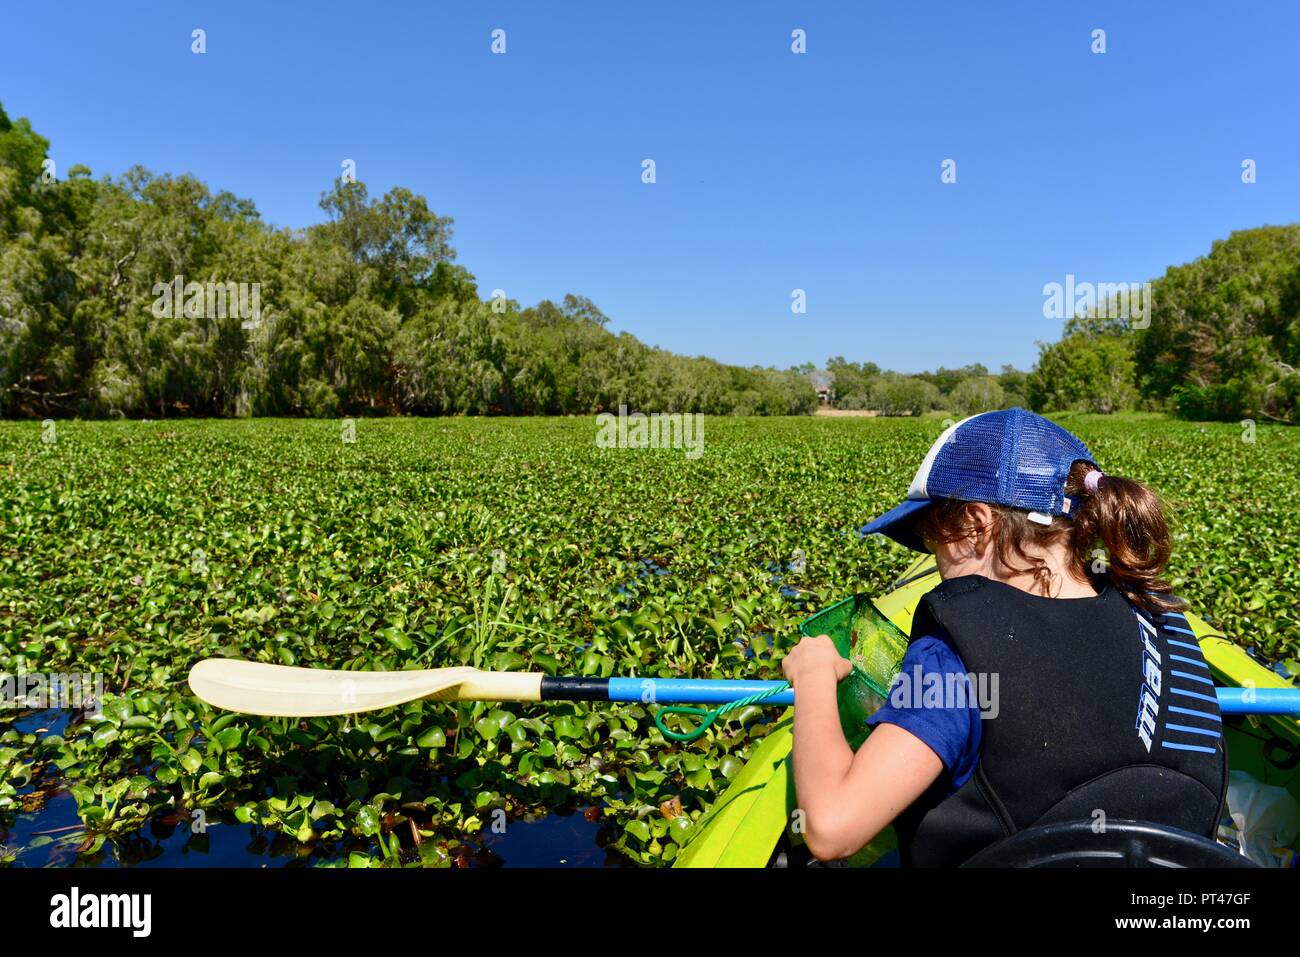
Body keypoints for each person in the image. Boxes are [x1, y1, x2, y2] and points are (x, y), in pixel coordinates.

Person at [781, 408, 1228, 866]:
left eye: (934, 544)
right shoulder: (1164, 622)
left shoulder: (957, 647)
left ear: (977, 523)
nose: (938, 566)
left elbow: (832, 828)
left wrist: (815, 674)